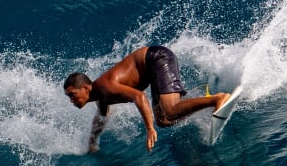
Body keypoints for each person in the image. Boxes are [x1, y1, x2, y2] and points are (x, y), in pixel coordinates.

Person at [63, 46, 230, 152]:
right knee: (164, 120)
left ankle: (217, 99)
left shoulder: (105, 87)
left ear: (85, 88)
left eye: (72, 94)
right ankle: (206, 105)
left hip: (157, 58)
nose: (71, 100)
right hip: (152, 71)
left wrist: (149, 129)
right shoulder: (101, 98)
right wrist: (92, 142)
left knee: (170, 111)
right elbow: (101, 118)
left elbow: (140, 96)